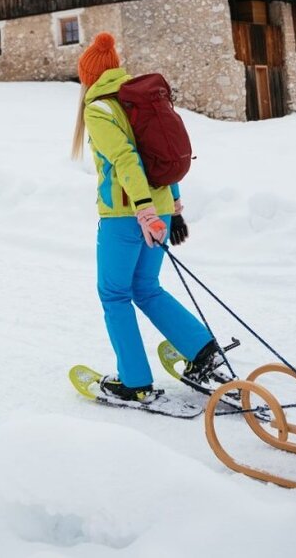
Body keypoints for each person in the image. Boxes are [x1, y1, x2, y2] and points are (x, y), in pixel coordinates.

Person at [71, 31, 225, 403]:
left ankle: (135, 381)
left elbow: (127, 159)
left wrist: (143, 211)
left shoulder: (99, 108)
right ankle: (202, 351)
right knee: (146, 287)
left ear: (88, 77)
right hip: (159, 212)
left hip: (127, 217)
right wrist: (172, 208)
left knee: (114, 294)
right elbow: (160, 157)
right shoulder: (136, 100)